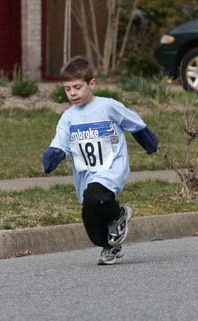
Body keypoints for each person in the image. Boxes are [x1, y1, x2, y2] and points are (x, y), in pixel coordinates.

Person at [42, 56, 158, 265]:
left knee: (95, 196)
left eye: (77, 87)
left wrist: (148, 141)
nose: (72, 93)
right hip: (86, 174)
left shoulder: (108, 107)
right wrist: (53, 155)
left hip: (112, 167)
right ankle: (109, 247)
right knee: (90, 218)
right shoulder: (68, 117)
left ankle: (119, 213)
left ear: (92, 84)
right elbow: (60, 142)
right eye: (67, 89)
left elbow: (134, 122)